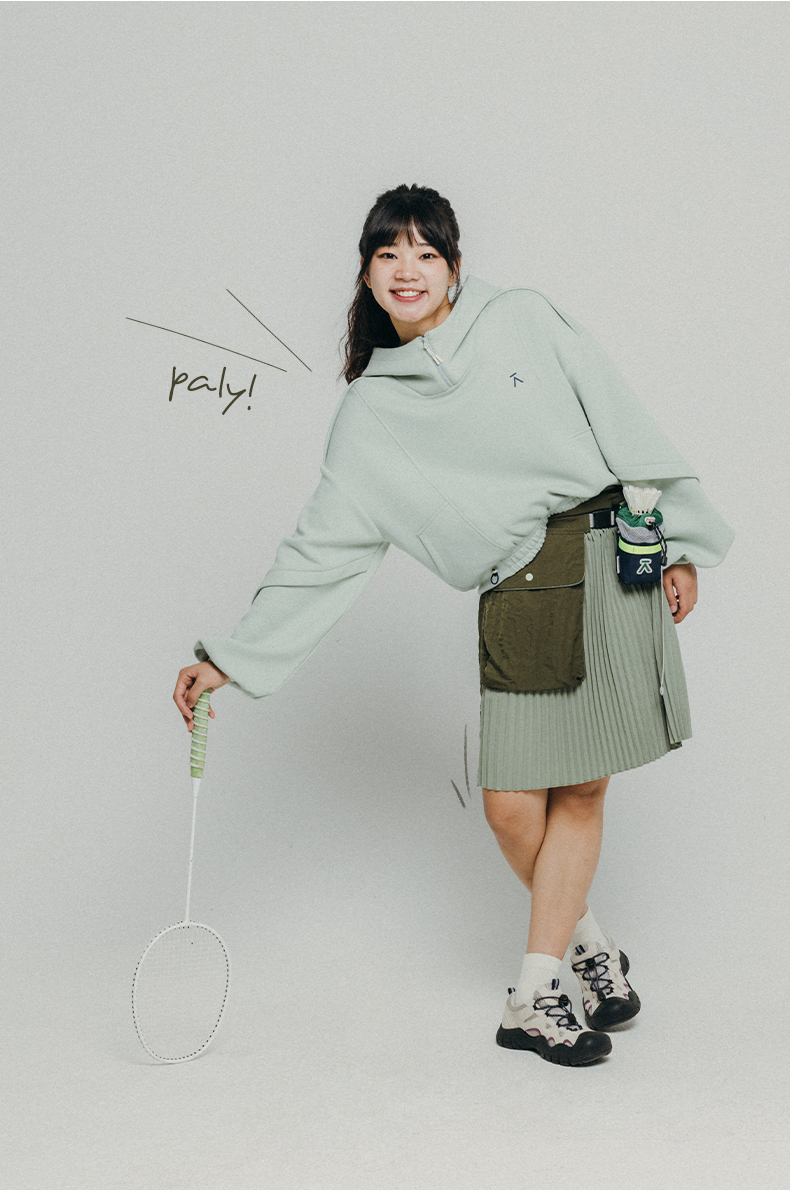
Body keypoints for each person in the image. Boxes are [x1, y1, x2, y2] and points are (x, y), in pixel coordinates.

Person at [174, 184, 734, 1068]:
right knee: (511, 808)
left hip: (613, 557)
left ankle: (533, 997)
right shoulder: (370, 415)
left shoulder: (522, 318)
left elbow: (620, 413)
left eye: (426, 253)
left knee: (583, 790)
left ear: (455, 267)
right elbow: (322, 548)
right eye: (389, 253)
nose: (408, 269)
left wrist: (682, 543)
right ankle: (588, 943)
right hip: (522, 589)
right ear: (367, 274)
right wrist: (230, 659)